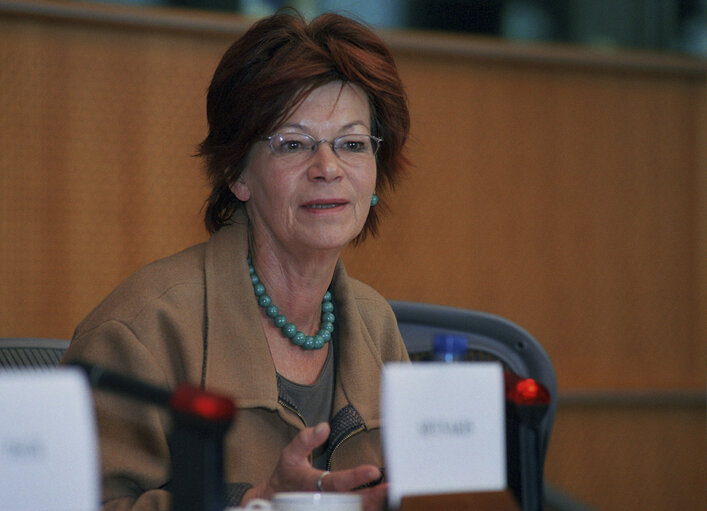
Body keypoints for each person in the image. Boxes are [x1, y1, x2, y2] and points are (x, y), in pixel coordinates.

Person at [61, 8, 411, 511]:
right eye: (294, 144)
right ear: (237, 174)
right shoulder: (142, 330)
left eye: (352, 144)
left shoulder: (377, 325)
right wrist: (249, 504)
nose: (328, 168)